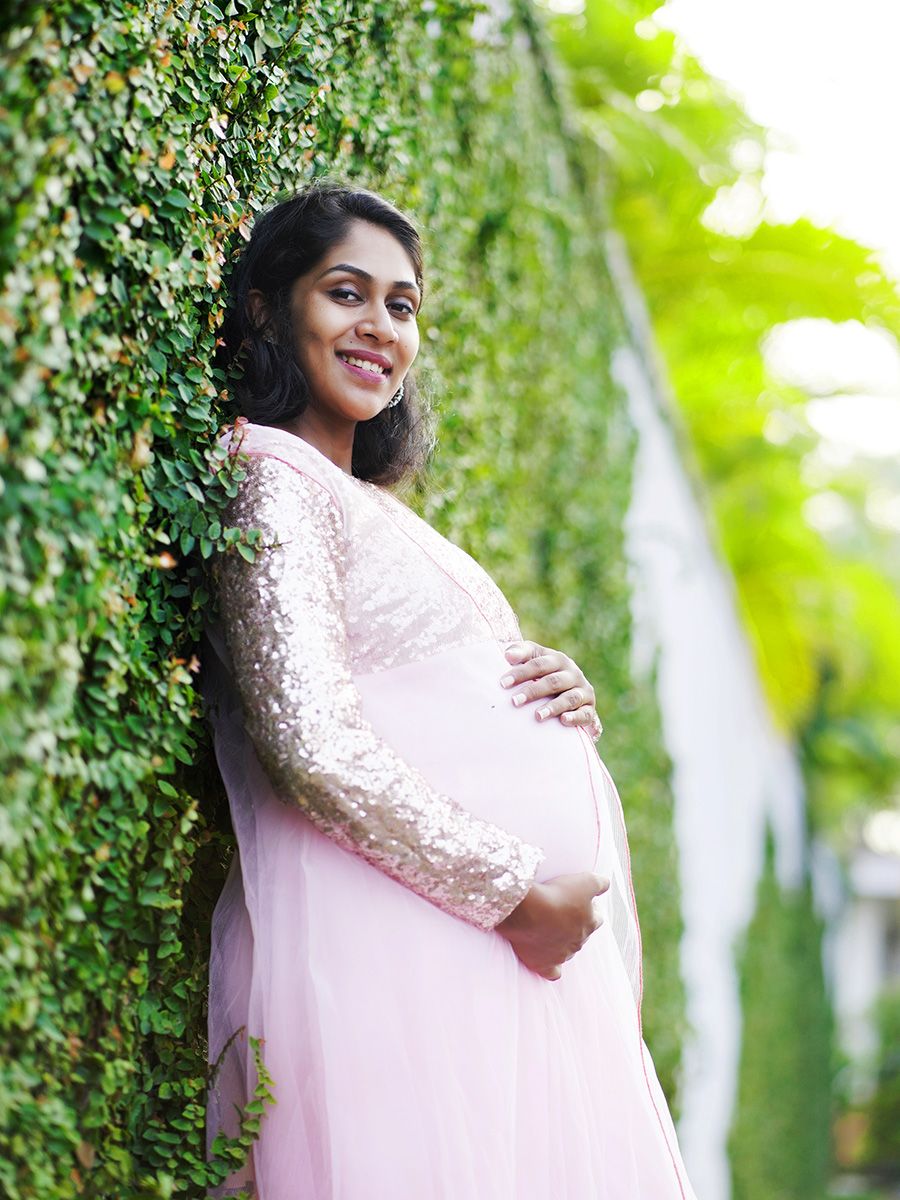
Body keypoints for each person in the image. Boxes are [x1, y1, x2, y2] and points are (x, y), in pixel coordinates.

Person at [200, 179, 698, 1199]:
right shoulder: (273, 476)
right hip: (407, 944)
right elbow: (308, 743)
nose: (379, 327)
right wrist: (514, 891)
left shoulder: (357, 499)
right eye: (346, 293)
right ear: (268, 307)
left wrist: (555, 691)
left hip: (468, 952)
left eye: (402, 305)